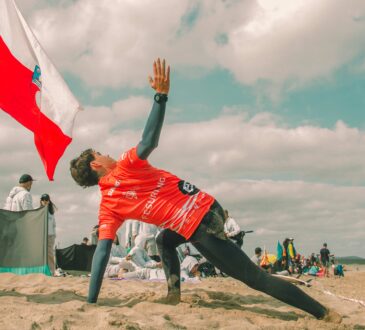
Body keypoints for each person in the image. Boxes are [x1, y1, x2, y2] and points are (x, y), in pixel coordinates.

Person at [69, 58, 340, 322]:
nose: (107, 154)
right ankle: (174, 294)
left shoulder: (107, 207)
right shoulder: (123, 169)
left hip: (202, 220)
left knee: (253, 278)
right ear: (96, 164)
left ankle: (322, 313)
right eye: (101, 153)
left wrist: (91, 300)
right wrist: (160, 98)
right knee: (165, 240)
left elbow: (102, 252)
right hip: (203, 214)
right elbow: (148, 141)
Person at [40, 194, 57, 275]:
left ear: (49, 201)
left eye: (46, 199)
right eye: (43, 199)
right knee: (41, 253)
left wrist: (54, 235)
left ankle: (51, 271)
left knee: (49, 253)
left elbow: (54, 225)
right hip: (41, 235)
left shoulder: (51, 213)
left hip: (50, 235)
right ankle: (42, 271)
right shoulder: (38, 210)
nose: (44, 201)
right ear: (41, 200)